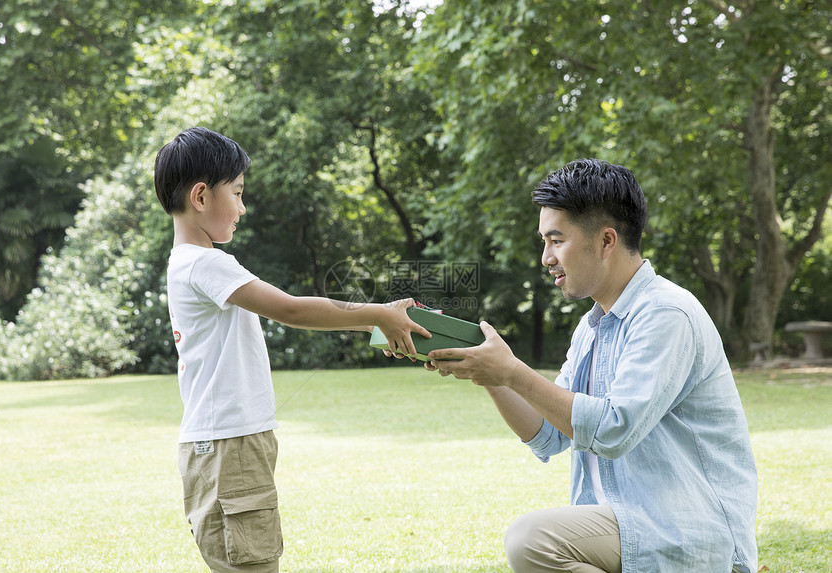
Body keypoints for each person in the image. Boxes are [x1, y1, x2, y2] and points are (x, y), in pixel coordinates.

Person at [426, 159, 758, 573]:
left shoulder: (666, 314)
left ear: (606, 240)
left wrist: (512, 371)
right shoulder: (593, 326)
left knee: (532, 540)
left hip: (686, 529)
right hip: (631, 522)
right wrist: (488, 374)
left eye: (556, 240)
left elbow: (613, 429)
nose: (545, 257)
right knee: (533, 541)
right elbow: (548, 435)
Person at [153, 126, 430, 573]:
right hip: (230, 445)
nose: (243, 208)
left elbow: (298, 312)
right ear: (201, 197)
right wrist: (378, 312)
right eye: (238, 193)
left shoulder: (191, 263)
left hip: (227, 443)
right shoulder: (205, 264)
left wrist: (379, 322)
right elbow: (293, 310)